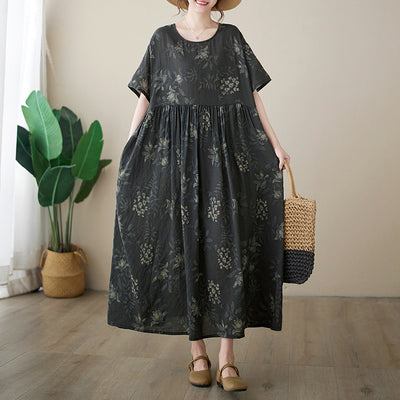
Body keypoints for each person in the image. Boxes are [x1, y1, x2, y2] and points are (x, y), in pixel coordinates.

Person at [107, 0, 290, 392]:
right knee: (184, 247)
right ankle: (198, 352)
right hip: (175, 158)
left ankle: (228, 359)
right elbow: (145, 97)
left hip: (226, 155)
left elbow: (253, 97)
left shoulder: (232, 38)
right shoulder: (161, 40)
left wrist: (275, 143)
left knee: (227, 248)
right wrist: (130, 146)